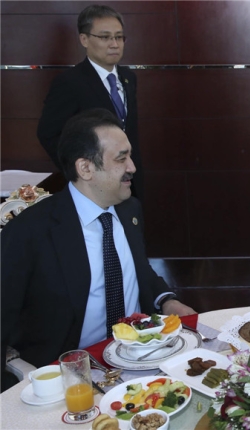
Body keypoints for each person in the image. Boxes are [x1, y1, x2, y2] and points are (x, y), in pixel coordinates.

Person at [1, 109, 195, 391]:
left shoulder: (130, 209)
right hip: (69, 376)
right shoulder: (32, 230)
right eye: (121, 158)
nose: (132, 167)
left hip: (139, 358)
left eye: (130, 156)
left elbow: (136, 270)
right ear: (85, 168)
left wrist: (166, 301)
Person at [37, 4, 143, 200]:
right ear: (84, 39)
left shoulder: (129, 78)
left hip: (130, 181)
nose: (114, 44)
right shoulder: (69, 82)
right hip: (92, 186)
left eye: (119, 37)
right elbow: (48, 134)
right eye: (105, 37)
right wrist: (80, 173)